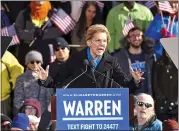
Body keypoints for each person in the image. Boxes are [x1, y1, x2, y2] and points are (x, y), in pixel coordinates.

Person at [37, 24, 144, 93]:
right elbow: (57, 82)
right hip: (81, 111)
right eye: (98, 40)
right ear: (88, 42)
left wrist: (135, 81)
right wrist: (45, 79)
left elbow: (126, 86)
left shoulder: (111, 62)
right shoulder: (76, 60)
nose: (102, 44)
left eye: (104, 41)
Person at [15, 1, 63, 68]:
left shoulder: (54, 13)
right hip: (29, 50)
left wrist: (44, 33)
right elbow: (17, 31)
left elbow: (60, 30)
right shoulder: (24, 13)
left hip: (47, 50)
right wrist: (32, 34)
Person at [114, 27, 156, 95]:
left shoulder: (150, 56)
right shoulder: (119, 57)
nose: (136, 38)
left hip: (147, 96)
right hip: (129, 97)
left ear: (142, 37)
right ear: (128, 39)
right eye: (133, 35)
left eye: (138, 35)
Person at [13, 50, 53, 115]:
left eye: (37, 62)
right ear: (27, 63)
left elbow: (50, 97)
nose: (35, 64)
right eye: (32, 62)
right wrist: (27, 111)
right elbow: (18, 99)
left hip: (44, 114)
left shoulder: (47, 77)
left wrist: (48, 113)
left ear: (41, 63)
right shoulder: (21, 79)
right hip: (27, 114)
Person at [153, 49, 178, 121]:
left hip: (176, 105)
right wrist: (162, 99)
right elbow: (155, 85)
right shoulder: (158, 63)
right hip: (162, 105)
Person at [1, 50, 24, 118]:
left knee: (4, 123)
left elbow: (17, 69)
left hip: (3, 99)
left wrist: (11, 84)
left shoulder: (4, 54)